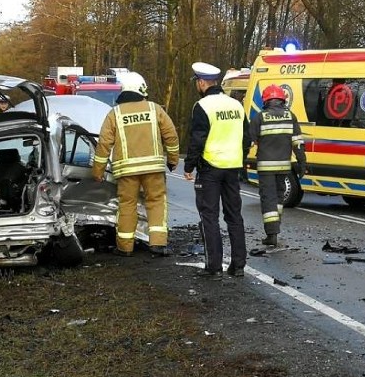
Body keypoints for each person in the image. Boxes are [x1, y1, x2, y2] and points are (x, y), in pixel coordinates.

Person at [92, 72, 180, 257]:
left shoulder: (114, 113)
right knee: (156, 203)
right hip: (153, 169)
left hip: (126, 170)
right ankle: (157, 244)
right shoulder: (155, 109)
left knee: (127, 205)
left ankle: (125, 247)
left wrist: (98, 171)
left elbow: (103, 144)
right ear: (142, 89)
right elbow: (171, 136)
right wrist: (173, 160)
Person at [184, 62, 251, 279]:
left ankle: (214, 266)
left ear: (202, 82)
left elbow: (197, 139)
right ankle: (238, 265)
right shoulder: (236, 105)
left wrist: (189, 166)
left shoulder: (202, 106)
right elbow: (246, 138)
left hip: (210, 168)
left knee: (209, 217)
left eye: (197, 82)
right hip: (232, 169)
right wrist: (240, 159)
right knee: (234, 216)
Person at [250, 84, 306, 246]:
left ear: (266, 100)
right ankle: (275, 227)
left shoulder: (260, 117)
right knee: (279, 198)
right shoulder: (291, 116)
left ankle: (271, 233)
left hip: (266, 168)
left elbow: (249, 141)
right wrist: (302, 163)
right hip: (284, 168)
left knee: (268, 199)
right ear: (282, 99)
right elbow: (298, 143)